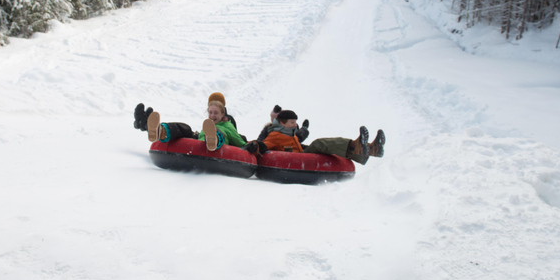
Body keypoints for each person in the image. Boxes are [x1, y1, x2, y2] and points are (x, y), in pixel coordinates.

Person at [246, 109, 385, 165]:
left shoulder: (291, 135)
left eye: (295, 122)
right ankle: (355, 146)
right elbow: (262, 144)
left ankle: (371, 149)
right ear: (282, 123)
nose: (295, 125)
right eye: (292, 122)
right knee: (319, 143)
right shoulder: (275, 135)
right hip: (294, 161)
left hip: (299, 156)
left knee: (326, 149)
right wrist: (254, 146)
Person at [145, 99, 247, 152]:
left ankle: (213, 140)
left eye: (216, 113)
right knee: (186, 128)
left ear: (222, 114)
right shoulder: (207, 125)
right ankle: (162, 131)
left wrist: (248, 146)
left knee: (216, 130)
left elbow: (239, 141)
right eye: (210, 112)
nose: (212, 116)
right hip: (199, 143)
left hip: (216, 148)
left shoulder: (228, 126)